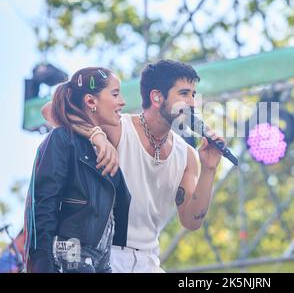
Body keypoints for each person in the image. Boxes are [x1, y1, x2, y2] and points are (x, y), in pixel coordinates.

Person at [42, 59, 224, 273]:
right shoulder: (117, 128)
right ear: (156, 97)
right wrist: (97, 135)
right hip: (105, 257)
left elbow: (191, 221)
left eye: (194, 94)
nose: (193, 103)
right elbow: (50, 111)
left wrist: (209, 168)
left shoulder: (188, 155)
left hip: (149, 262)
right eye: (184, 94)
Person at [24, 67, 131, 273]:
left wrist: (97, 135)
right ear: (91, 102)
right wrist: (42, 265)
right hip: (68, 260)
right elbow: (43, 204)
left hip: (101, 263)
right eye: (115, 94)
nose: (122, 101)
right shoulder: (63, 138)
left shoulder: (103, 147)